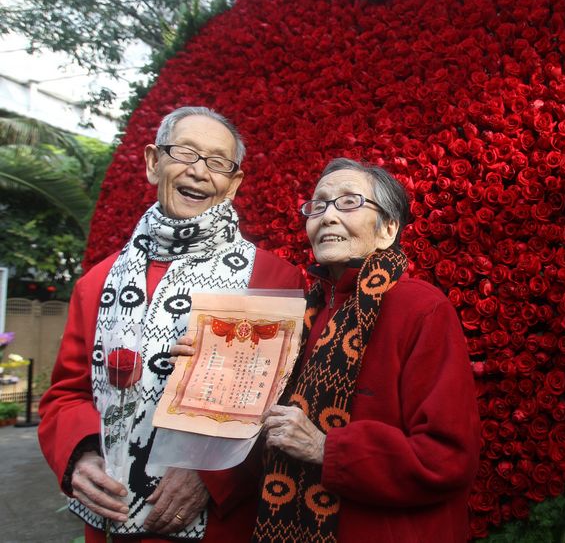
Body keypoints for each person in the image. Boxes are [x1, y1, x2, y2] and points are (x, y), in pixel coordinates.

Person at [38, 106, 304, 543]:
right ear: (152, 162)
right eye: (185, 153)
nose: (200, 172)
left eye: (218, 162)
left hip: (218, 522)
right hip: (111, 511)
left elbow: (287, 403)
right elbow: (67, 394)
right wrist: (81, 456)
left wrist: (211, 473)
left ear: (233, 184)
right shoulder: (97, 282)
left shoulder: (272, 278)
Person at [181, 158, 479, 542]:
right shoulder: (302, 315)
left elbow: (448, 456)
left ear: (388, 229)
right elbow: (258, 426)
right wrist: (207, 369)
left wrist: (326, 447)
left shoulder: (421, 308)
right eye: (318, 205)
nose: (328, 216)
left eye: (349, 202)